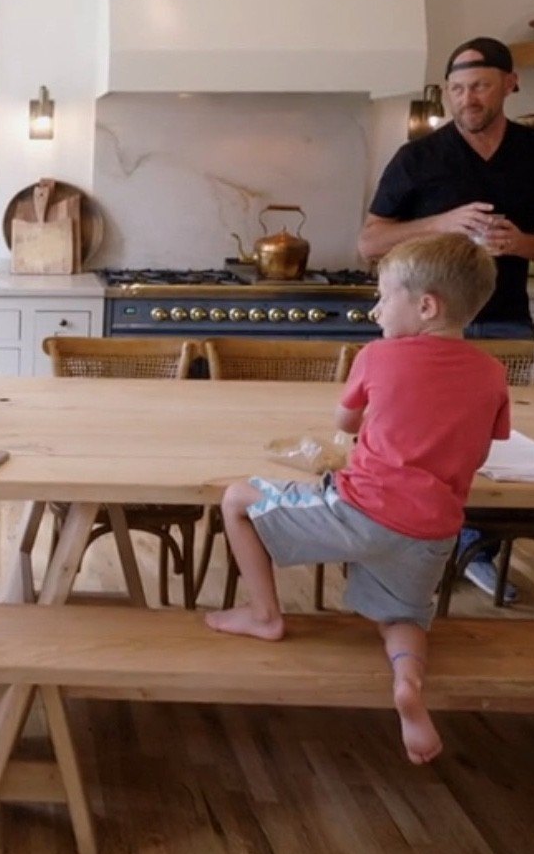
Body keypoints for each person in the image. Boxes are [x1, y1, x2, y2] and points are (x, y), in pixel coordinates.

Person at [206, 234, 512, 765]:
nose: (375, 310)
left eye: (383, 296)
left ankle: (264, 615)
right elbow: (482, 447)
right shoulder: (492, 373)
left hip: (360, 510)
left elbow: (344, 424)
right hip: (433, 530)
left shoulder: (379, 356)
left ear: (425, 306)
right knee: (403, 618)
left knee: (237, 499)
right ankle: (407, 681)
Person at [360, 36, 534, 603]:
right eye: (457, 89)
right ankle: (411, 546)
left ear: (510, 84)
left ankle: (475, 549)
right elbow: (369, 241)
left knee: (497, 451)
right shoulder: (419, 157)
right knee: (414, 444)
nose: (468, 99)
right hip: (421, 333)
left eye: (480, 86)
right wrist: (442, 222)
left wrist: (523, 243)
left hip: (506, 322)